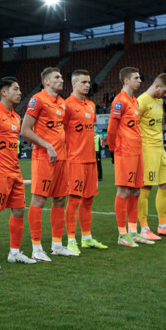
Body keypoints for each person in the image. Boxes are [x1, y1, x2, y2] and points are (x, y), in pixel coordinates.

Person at [0, 77, 36, 268]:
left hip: (15, 172)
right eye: (16, 89)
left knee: (19, 211)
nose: (20, 92)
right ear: (4, 92)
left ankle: (14, 252)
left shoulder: (16, 117)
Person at [20, 67, 74, 261]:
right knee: (39, 201)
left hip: (62, 158)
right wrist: (47, 146)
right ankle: (36, 248)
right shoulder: (38, 100)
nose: (62, 80)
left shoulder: (61, 103)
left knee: (60, 200)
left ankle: (57, 245)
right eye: (57, 77)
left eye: (61, 76)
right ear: (47, 82)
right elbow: (25, 130)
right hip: (44, 158)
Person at [107, 67, 152, 247]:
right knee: (124, 190)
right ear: (126, 80)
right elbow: (111, 128)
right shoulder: (120, 101)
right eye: (136, 78)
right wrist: (113, 148)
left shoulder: (134, 101)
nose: (140, 80)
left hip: (136, 150)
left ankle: (133, 232)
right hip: (125, 151)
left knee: (136, 190)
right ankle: (122, 234)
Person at [63, 70, 107, 253]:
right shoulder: (66, 106)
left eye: (89, 82)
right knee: (74, 200)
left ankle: (87, 238)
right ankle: (71, 240)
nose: (87, 85)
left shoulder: (90, 105)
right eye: (83, 82)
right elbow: (61, 133)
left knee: (88, 200)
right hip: (75, 160)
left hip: (91, 160)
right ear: (74, 84)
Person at [137, 73, 166, 240]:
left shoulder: (159, 102)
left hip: (160, 149)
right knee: (146, 188)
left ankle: (163, 225)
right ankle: (144, 228)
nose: (165, 96)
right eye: (165, 92)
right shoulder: (142, 101)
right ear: (157, 86)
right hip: (147, 149)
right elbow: (131, 125)